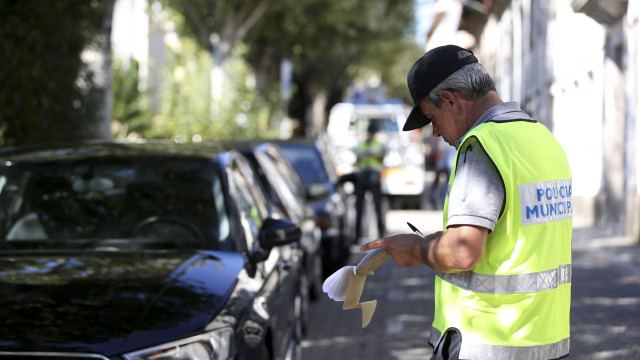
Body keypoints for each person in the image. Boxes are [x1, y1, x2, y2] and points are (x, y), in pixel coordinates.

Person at [360, 45, 572, 360]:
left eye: (433, 118)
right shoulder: (543, 140)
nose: (435, 132)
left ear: (450, 100)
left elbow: (462, 251)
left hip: (488, 343)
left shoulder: (483, 147)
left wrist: (416, 250)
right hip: (546, 342)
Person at [354, 121, 386, 240]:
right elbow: (356, 160)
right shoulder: (361, 144)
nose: (371, 135)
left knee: (378, 207)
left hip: (374, 176)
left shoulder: (379, 144)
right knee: (359, 208)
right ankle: (357, 235)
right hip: (362, 177)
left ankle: (381, 233)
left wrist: (373, 155)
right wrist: (363, 155)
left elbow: (382, 159)